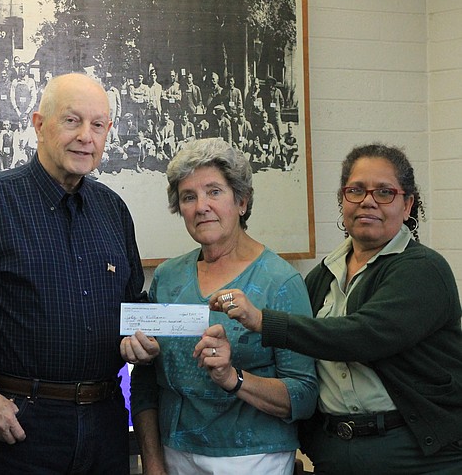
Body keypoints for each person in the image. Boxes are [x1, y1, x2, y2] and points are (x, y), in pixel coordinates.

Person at [0, 72, 148, 474]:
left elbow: (134, 306)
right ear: (39, 125)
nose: (86, 136)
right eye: (72, 121)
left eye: (98, 125)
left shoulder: (114, 211)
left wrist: (146, 339)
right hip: (19, 428)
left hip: (106, 426)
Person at [218, 143, 462, 475]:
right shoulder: (321, 276)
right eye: (356, 190)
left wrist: (262, 320)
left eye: (385, 192)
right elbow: (301, 365)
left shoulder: (423, 269)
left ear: (407, 206)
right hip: (336, 452)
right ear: (342, 201)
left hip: (417, 453)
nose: (368, 201)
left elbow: (363, 335)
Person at [126, 137, 318, 475]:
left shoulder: (280, 282)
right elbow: (145, 380)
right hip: (174, 454)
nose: (201, 206)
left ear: (242, 201)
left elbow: (303, 396)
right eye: (189, 196)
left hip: (253, 459)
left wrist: (234, 378)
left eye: (214, 191)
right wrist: (153, 463)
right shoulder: (169, 277)